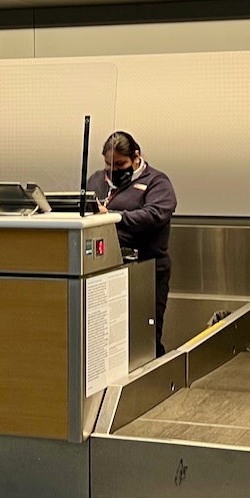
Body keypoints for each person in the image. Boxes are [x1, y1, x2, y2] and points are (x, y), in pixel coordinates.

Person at [85, 131, 177, 356]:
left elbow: (155, 215)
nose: (114, 171)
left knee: (145, 338)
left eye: (120, 164)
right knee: (109, 338)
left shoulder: (157, 181)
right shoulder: (97, 180)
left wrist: (114, 216)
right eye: (109, 165)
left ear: (136, 157)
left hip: (147, 268)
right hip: (106, 266)